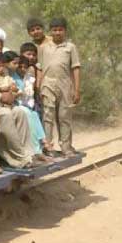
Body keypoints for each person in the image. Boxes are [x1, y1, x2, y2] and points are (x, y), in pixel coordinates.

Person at [0, 53, 42, 168]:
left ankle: (29, 154)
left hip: (9, 104)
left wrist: (13, 93)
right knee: (6, 115)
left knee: (20, 112)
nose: (1, 68)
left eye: (2, 66)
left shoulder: (6, 74)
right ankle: (20, 158)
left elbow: (15, 89)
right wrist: (2, 96)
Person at [38, 17, 82, 157]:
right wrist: (38, 85)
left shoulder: (70, 47)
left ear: (65, 31)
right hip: (48, 83)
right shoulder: (44, 47)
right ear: (50, 31)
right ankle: (48, 146)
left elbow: (75, 68)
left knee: (64, 116)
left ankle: (66, 146)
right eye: (54, 30)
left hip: (65, 84)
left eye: (60, 30)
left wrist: (76, 89)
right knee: (48, 116)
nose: (57, 33)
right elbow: (39, 68)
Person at [7, 53, 51, 154]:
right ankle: (38, 148)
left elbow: (29, 96)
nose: (22, 69)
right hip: (16, 105)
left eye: (25, 67)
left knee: (34, 114)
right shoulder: (12, 77)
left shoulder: (28, 78)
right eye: (20, 66)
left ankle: (41, 144)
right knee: (29, 114)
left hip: (26, 105)